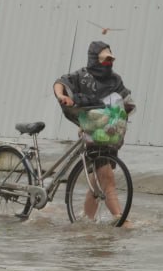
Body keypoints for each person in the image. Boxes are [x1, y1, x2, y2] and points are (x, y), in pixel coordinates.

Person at [53, 41, 136, 223]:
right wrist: (62, 96)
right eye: (104, 60)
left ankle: (86, 218)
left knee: (97, 181)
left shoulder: (115, 80)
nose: (108, 64)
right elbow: (61, 83)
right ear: (94, 60)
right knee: (106, 177)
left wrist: (119, 114)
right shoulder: (83, 76)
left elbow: (126, 102)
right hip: (93, 134)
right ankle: (120, 219)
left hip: (109, 135)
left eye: (110, 60)